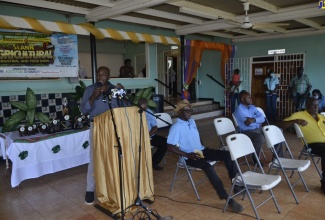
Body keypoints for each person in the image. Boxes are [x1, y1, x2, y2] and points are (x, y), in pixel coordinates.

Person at [167, 99, 243, 213]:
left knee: (227, 155)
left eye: (190, 110)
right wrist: (187, 154)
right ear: (179, 112)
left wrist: (202, 146)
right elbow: (170, 146)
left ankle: (236, 184)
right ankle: (227, 198)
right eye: (186, 110)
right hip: (189, 156)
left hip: (202, 150)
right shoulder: (176, 127)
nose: (189, 112)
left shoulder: (192, 122)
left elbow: (197, 136)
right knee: (208, 167)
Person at [80, 66, 124, 205]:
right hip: (96, 126)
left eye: (104, 74)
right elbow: (83, 110)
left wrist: (123, 93)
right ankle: (90, 190)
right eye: (99, 74)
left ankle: (114, 188)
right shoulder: (89, 90)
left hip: (112, 126)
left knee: (114, 157)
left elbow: (124, 106)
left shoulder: (114, 89)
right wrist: (93, 97)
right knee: (94, 158)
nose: (101, 77)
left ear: (109, 77)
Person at [281, 97, 325, 193]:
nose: (316, 107)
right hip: (312, 145)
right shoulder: (299, 115)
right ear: (307, 106)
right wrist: (296, 121)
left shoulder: (321, 117)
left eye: (317, 105)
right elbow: (282, 125)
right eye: (313, 105)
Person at [138, 98, 167, 170]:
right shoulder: (133, 112)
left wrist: (148, 135)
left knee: (165, 142)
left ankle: (154, 163)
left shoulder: (149, 112)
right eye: (141, 106)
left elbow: (155, 127)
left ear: (146, 105)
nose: (143, 108)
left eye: (145, 107)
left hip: (150, 136)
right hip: (138, 137)